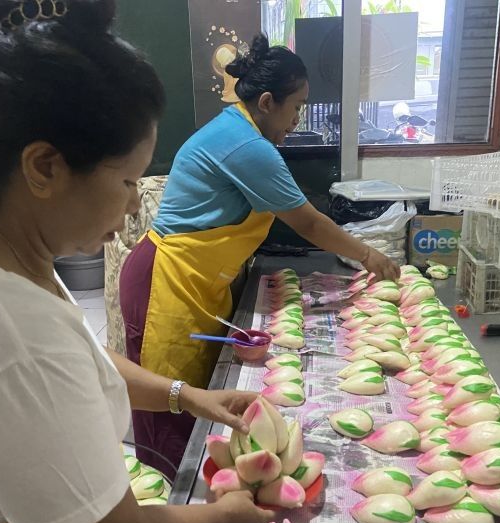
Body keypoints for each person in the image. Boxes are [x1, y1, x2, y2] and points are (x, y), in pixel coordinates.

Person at [0, 1, 274, 523]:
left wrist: (185, 396)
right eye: (127, 181)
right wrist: (222, 519)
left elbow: (82, 354)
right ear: (44, 168)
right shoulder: (4, 341)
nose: (134, 205)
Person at [119, 33, 401, 474]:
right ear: (267, 101)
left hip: (196, 279)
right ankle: (171, 499)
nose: (298, 119)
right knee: (171, 405)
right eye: (296, 107)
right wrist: (370, 256)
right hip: (166, 282)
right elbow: (308, 222)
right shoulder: (248, 146)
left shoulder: (238, 129)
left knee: (202, 400)